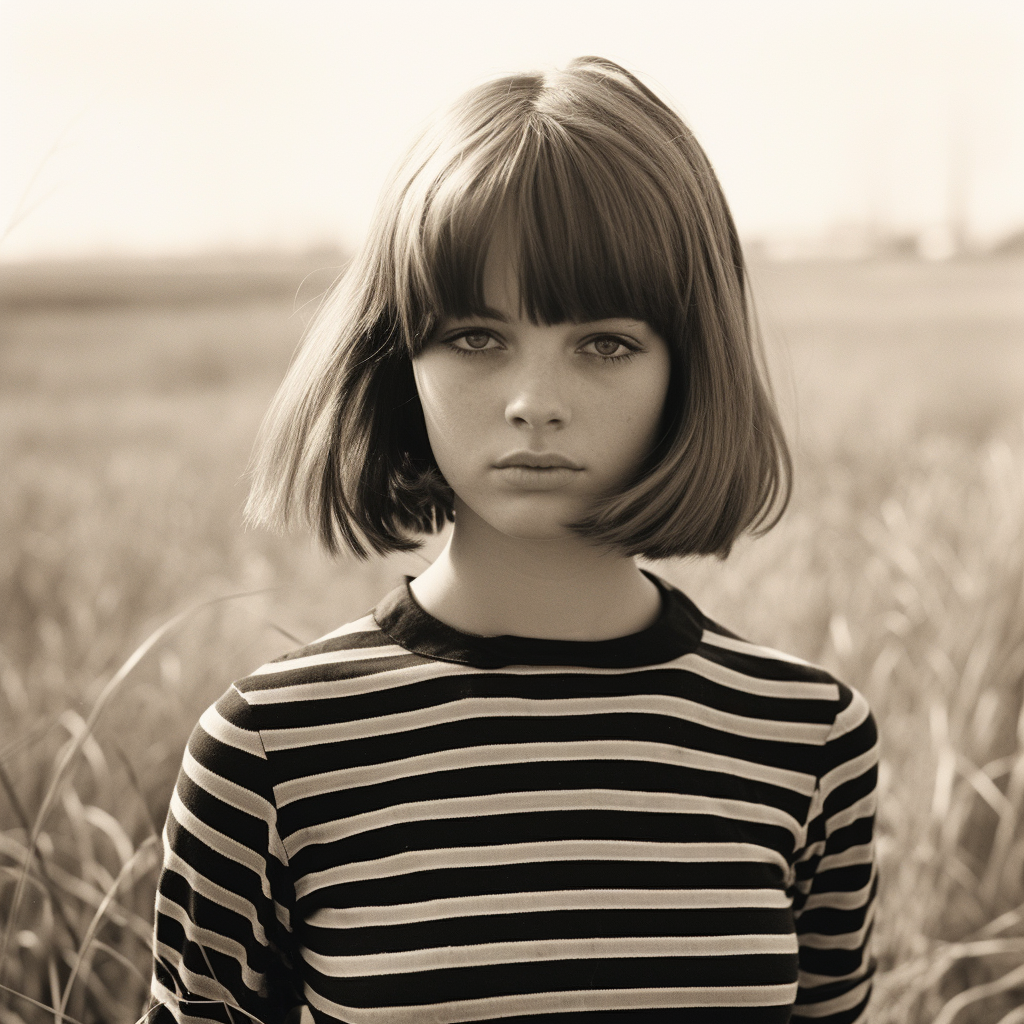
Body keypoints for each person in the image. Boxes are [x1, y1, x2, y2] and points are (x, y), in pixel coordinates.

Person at [150, 57, 878, 1024]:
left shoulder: (806, 739)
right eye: (475, 339)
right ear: (396, 357)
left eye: (606, 343)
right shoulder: (271, 757)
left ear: (688, 369)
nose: (534, 403)